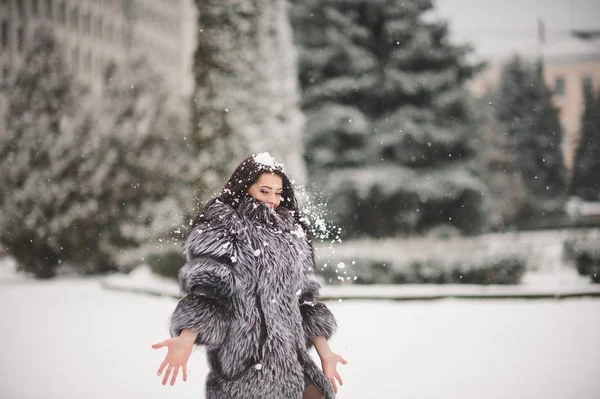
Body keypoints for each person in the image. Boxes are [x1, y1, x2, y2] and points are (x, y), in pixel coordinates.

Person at [152, 153, 347, 399]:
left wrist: (325, 352)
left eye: (277, 192)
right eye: (264, 191)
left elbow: (305, 301)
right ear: (245, 187)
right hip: (246, 366)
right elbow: (209, 292)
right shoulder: (224, 226)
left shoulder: (292, 232)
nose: (273, 200)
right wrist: (186, 338)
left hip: (294, 363)